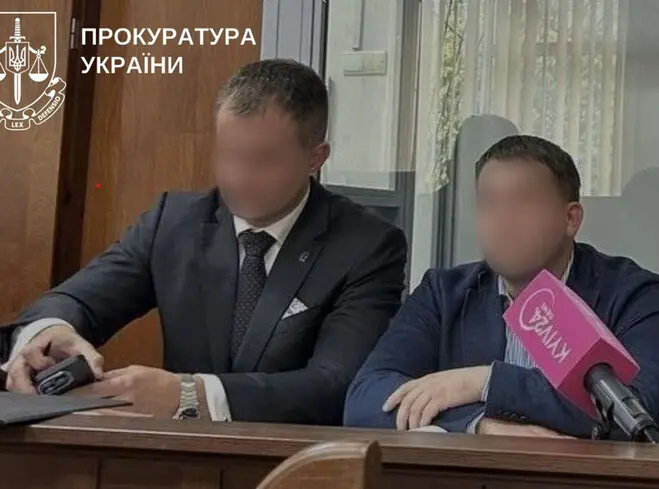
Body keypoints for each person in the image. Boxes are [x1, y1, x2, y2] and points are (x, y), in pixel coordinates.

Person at [0, 59, 408, 424]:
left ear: (316, 157)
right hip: (178, 462)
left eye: (263, 160)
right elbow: (77, 300)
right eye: (229, 154)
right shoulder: (174, 222)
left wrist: (189, 394)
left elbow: (337, 385)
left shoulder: (367, 246)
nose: (238, 178)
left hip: (296, 462)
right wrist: (48, 332)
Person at [344, 135, 659, 439]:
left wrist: (483, 383)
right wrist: (477, 424)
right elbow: (365, 400)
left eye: (522, 202)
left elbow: (640, 414)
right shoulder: (443, 294)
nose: (502, 221)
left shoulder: (637, 295)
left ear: (571, 219)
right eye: (488, 203)